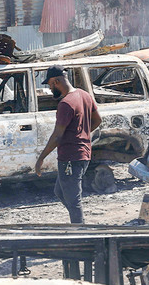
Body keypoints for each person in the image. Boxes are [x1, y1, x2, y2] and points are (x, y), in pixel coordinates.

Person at [34, 65, 102, 224]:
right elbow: (98, 120)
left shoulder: (65, 104)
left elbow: (57, 136)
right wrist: (82, 134)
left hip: (71, 158)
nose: (50, 89)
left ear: (56, 81)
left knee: (73, 201)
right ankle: (78, 222)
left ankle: (80, 231)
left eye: (50, 85)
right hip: (82, 155)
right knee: (60, 192)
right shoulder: (84, 95)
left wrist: (41, 159)